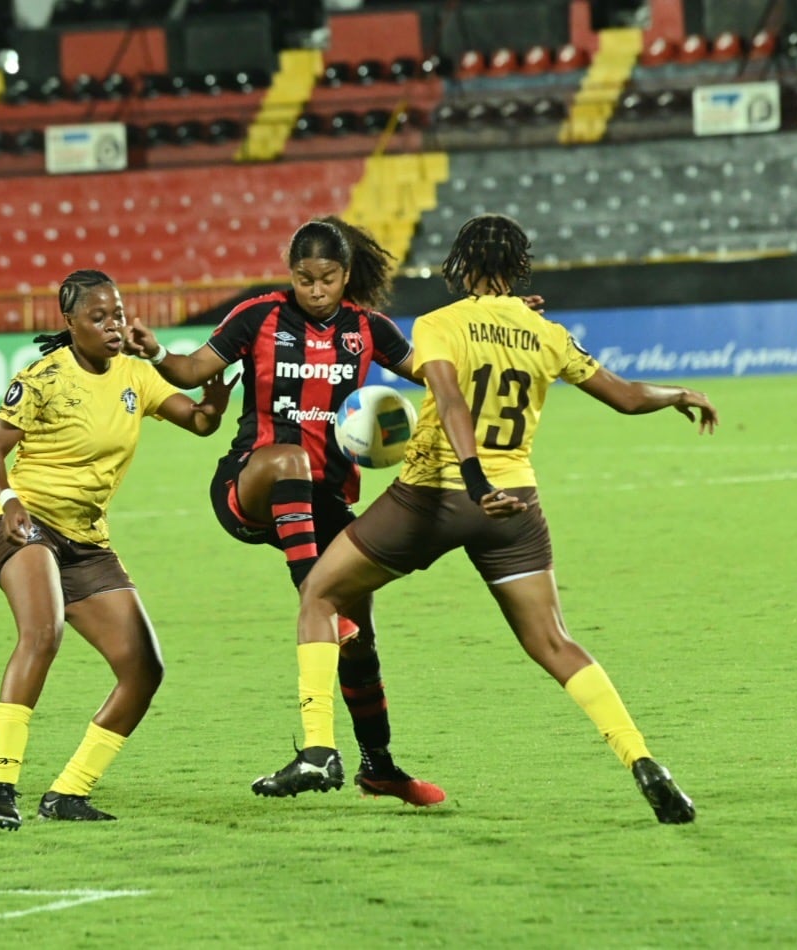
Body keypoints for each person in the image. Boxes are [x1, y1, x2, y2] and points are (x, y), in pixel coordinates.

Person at [293, 213, 719, 823]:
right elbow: (626, 397)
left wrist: (473, 479)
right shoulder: (545, 331)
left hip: (433, 497)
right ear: (519, 268)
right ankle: (643, 760)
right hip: (514, 506)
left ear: (459, 265)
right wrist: (677, 394)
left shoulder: (439, 323)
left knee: (320, 593)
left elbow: (449, 399)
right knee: (554, 642)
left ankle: (319, 749)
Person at [124, 217, 445, 806]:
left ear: (346, 275)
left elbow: (437, 372)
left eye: (327, 279)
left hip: (325, 503)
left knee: (361, 640)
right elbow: (193, 370)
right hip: (251, 485)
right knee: (292, 462)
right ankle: (312, 590)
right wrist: (157, 352)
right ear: (290, 275)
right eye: (304, 279)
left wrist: (501, 324)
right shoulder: (260, 316)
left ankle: (379, 768)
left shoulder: (368, 329)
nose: (315, 290)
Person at [0, 269, 235, 830]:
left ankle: (68, 793)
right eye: (99, 318)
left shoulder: (137, 374)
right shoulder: (43, 379)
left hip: (88, 542)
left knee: (144, 668)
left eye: (117, 314)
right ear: (70, 323)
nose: (114, 326)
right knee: (43, 633)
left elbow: (198, 423)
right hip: (27, 525)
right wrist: (9, 500)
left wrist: (212, 404)